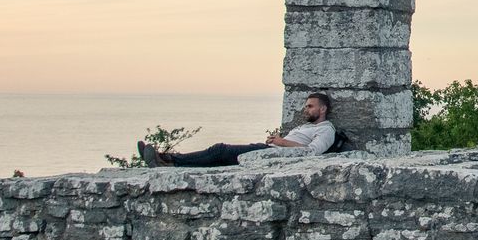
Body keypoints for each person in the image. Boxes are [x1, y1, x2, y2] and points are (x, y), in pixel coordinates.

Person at [140, 92, 336, 167]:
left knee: (220, 151)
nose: (306, 109)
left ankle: (168, 159)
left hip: (274, 154)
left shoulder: (327, 130)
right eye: (306, 106)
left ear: (323, 109)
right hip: (269, 150)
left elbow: (312, 152)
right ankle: (167, 162)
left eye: (310, 106)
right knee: (220, 158)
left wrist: (282, 142)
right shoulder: (308, 126)